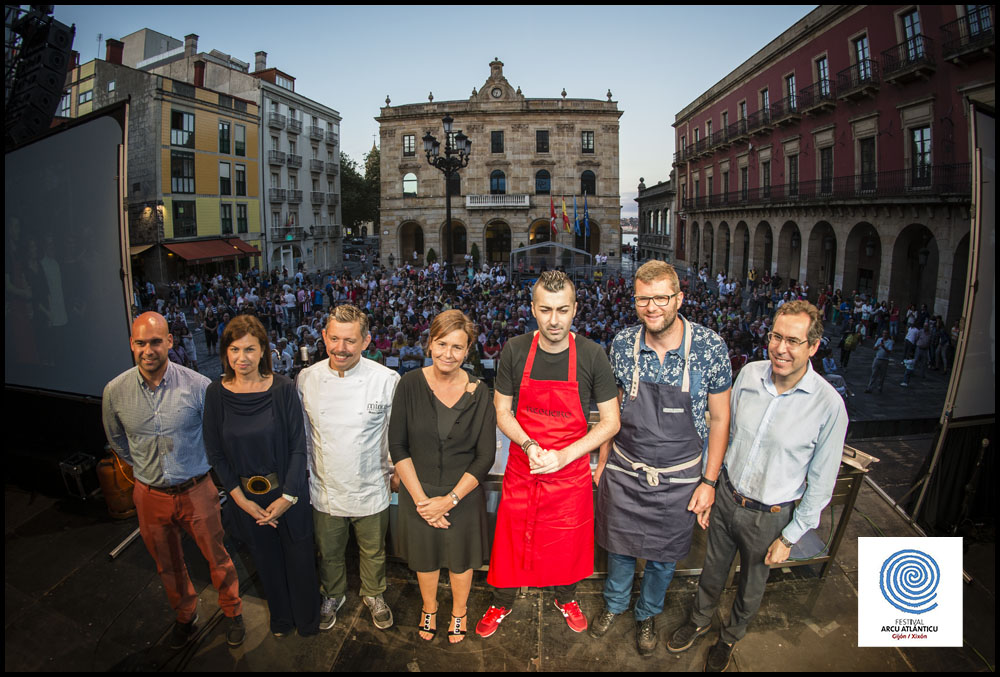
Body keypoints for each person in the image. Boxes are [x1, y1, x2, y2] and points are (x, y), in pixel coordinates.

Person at [667, 300, 848, 671]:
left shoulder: (829, 407)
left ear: (813, 346)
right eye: (776, 337)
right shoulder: (749, 375)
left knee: (751, 586)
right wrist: (710, 485)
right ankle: (700, 620)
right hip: (727, 499)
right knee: (712, 571)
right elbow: (725, 434)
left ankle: (730, 636)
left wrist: (790, 536)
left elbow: (821, 481)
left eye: (794, 341)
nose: (782, 348)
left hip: (771, 518)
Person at [592, 261, 732, 655]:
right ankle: (615, 604)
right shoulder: (622, 344)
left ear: (678, 299)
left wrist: (709, 482)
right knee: (618, 547)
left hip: (680, 474)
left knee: (663, 557)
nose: (651, 307)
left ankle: (647, 612)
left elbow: (721, 419)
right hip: (625, 466)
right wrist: (603, 463)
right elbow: (612, 412)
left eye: (660, 298)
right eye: (643, 298)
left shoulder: (710, 347)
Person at [477, 270, 621, 638]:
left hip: (569, 470)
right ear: (532, 309)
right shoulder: (515, 349)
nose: (554, 320)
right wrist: (530, 446)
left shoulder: (591, 354)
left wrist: (564, 455)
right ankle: (501, 600)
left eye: (562, 310)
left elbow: (610, 422)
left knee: (567, 540)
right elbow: (502, 412)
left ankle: (565, 597)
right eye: (545, 310)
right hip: (524, 466)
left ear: (575, 309)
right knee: (511, 538)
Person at [101, 312, 245, 649]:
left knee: (217, 556)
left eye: (155, 342)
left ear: (169, 342)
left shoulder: (197, 386)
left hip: (197, 490)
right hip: (149, 495)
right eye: (140, 343)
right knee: (167, 564)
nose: (148, 350)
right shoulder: (115, 392)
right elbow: (117, 440)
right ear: (132, 345)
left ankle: (232, 610)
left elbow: (216, 436)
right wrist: (146, 468)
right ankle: (185, 614)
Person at [203, 315, 320, 638]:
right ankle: (281, 619)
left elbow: (299, 447)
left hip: (288, 494)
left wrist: (288, 497)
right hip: (247, 500)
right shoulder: (215, 393)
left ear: (263, 351)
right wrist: (240, 500)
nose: (242, 358)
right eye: (235, 349)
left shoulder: (282, 388)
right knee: (266, 565)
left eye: (250, 349)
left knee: (299, 562)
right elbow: (216, 453)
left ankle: (308, 621)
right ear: (226, 352)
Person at [388, 310, 497, 643]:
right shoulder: (408, 384)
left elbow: (484, 457)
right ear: (429, 343)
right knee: (425, 557)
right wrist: (423, 502)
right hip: (417, 493)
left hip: (462, 496)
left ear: (468, 351)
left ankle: (460, 612)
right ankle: (429, 608)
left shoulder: (479, 393)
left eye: (457, 347)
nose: (448, 354)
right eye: (442, 343)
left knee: (461, 561)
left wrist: (448, 500)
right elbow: (398, 445)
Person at [297, 305, 400, 632]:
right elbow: (304, 434)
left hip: (372, 486)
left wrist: (396, 470)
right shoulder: (307, 379)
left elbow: (394, 434)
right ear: (324, 337)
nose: (341, 348)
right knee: (328, 552)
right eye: (335, 339)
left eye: (350, 340)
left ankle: (374, 594)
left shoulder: (386, 380)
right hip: (326, 488)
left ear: (366, 341)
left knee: (374, 550)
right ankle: (333, 594)